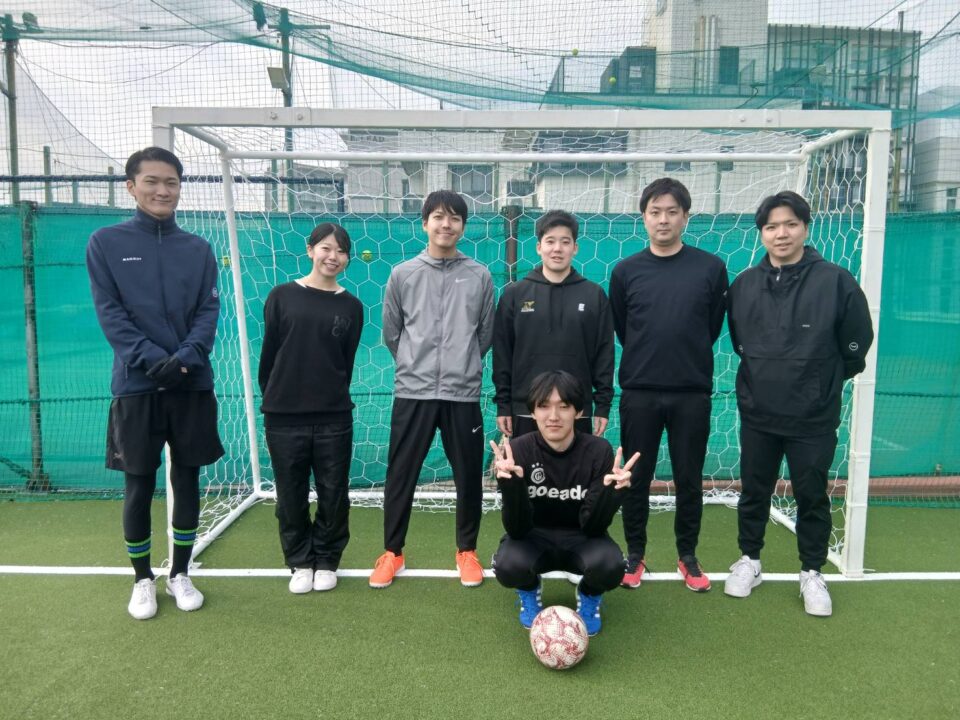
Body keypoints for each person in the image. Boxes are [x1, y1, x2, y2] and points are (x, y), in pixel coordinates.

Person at [86, 147, 224, 620]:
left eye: (171, 182)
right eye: (152, 181)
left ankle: (180, 572)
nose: (163, 190)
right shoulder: (105, 242)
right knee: (139, 484)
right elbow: (110, 313)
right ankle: (142, 579)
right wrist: (152, 360)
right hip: (137, 386)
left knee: (187, 479)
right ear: (131, 186)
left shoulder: (198, 249)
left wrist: (184, 358)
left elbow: (208, 311)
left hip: (191, 384)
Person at [723, 191, 873, 617]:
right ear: (762, 233)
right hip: (759, 412)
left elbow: (856, 344)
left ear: (806, 228)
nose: (781, 233)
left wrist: (820, 382)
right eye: (771, 226)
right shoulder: (744, 285)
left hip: (813, 416)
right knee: (754, 490)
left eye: (790, 224)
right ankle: (749, 560)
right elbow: (740, 341)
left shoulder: (836, 281)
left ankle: (811, 572)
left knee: (811, 495)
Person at [369, 190, 495, 589]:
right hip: (414, 391)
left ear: (463, 226)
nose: (446, 224)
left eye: (455, 218)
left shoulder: (479, 275)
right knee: (401, 474)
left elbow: (485, 334)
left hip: (462, 393)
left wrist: (462, 363)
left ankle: (466, 551)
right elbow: (392, 333)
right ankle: (393, 552)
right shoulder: (403, 274)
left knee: (468, 477)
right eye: (439, 216)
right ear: (424, 223)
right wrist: (415, 363)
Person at [609, 177, 728, 592]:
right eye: (655, 212)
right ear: (644, 218)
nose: (663, 220)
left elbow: (711, 326)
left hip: (691, 393)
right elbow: (623, 328)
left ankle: (688, 556)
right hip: (640, 392)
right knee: (635, 478)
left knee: (688, 478)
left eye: (672, 212)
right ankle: (634, 554)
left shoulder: (710, 268)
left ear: (685, 217)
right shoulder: (625, 271)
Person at [489, 370, 637, 636]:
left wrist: (613, 493)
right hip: (532, 537)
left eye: (564, 406)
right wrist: (511, 486)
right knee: (508, 564)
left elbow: (593, 527)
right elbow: (517, 530)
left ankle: (589, 596)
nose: (553, 416)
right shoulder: (518, 450)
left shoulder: (599, 451)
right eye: (544, 406)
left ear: (578, 412)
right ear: (533, 412)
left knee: (611, 565)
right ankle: (529, 590)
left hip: (582, 537)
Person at [259, 223, 363, 594]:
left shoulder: (351, 306)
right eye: (326, 248)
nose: (333, 256)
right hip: (284, 418)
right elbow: (269, 355)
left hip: (334, 417)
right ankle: (300, 561)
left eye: (341, 250)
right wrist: (279, 398)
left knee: (334, 493)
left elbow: (345, 362)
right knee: (291, 495)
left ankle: (327, 559)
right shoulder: (282, 296)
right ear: (310, 250)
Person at [493, 209, 614, 439]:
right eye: (550, 241)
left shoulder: (594, 295)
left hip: (575, 410)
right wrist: (503, 404)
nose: (557, 248)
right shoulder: (514, 294)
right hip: (525, 409)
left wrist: (602, 406)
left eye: (565, 242)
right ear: (539, 247)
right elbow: (502, 354)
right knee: (524, 463)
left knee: (576, 464)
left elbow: (604, 354)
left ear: (575, 248)